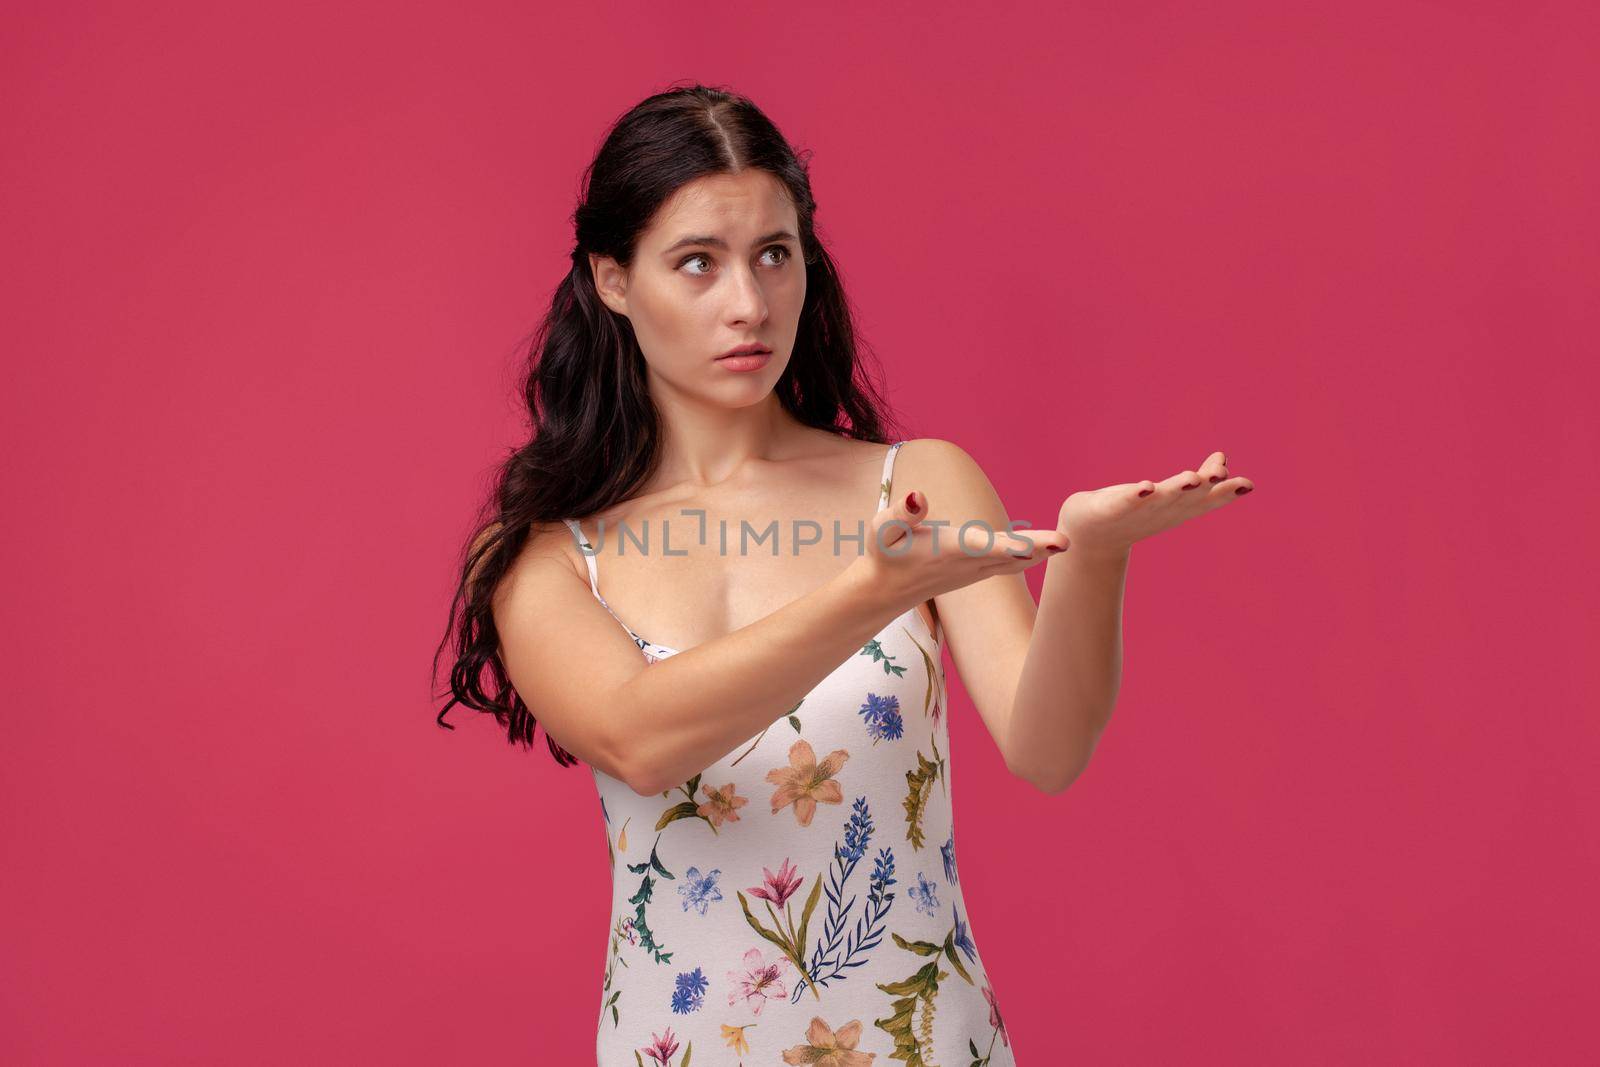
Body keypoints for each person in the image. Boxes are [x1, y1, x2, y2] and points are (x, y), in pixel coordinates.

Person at [433, 83, 1253, 1067]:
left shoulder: (915, 482)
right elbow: (639, 736)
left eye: (774, 255)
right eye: (697, 262)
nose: (749, 302)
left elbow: (1048, 749)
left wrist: (1093, 556)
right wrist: (869, 593)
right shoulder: (548, 548)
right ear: (612, 280)